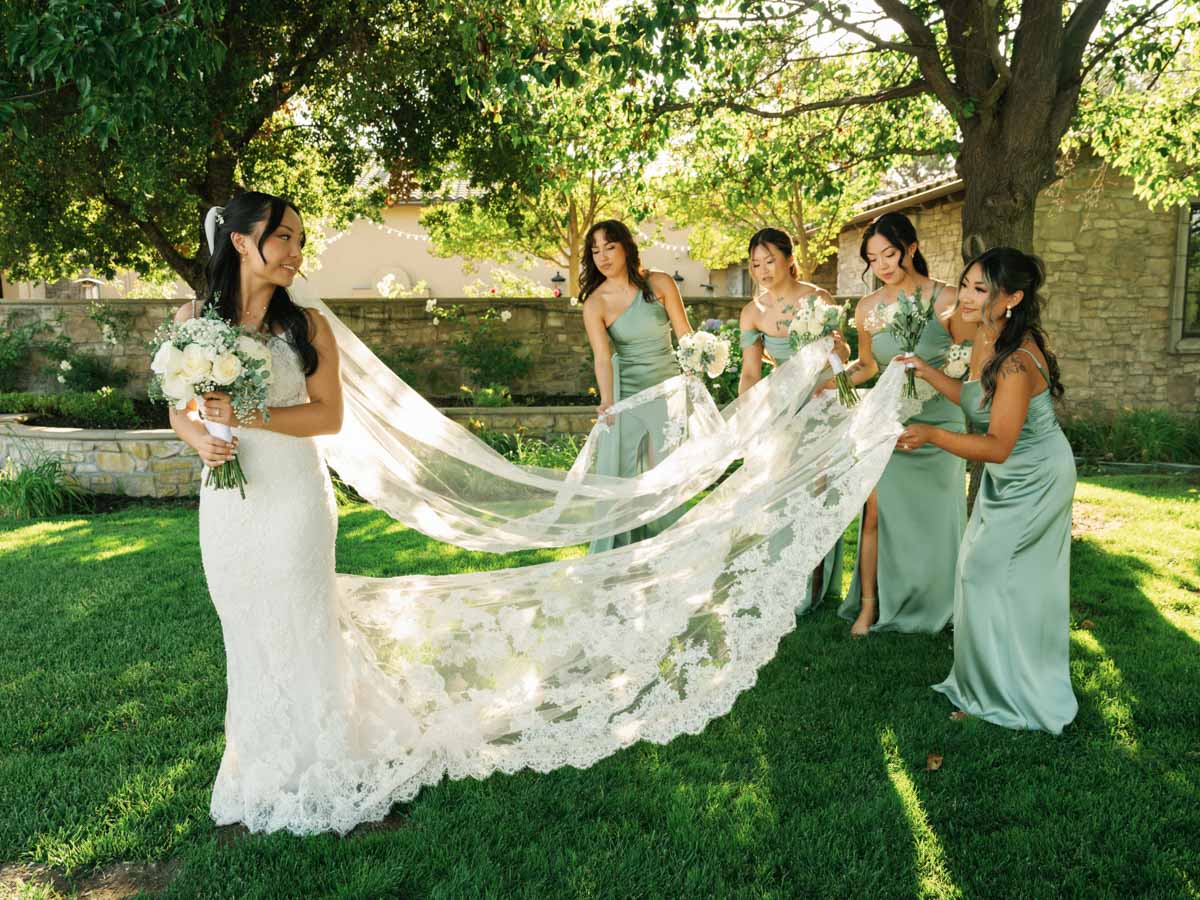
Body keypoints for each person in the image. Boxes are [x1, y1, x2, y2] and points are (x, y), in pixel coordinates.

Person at [895, 247, 1078, 734]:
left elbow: (996, 445)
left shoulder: (1016, 362)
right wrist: (926, 369)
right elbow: (975, 399)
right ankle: (985, 686)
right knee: (983, 574)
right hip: (1008, 475)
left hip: (1036, 477)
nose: (967, 296)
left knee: (985, 574)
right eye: (966, 285)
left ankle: (1008, 694)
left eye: (981, 289)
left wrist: (932, 435)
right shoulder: (985, 336)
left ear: (1012, 298)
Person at [839, 213, 973, 636]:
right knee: (875, 512)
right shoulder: (867, 308)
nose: (881, 265)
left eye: (889, 254)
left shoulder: (947, 298)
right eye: (872, 258)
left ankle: (941, 602)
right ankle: (869, 607)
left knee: (938, 516)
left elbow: (969, 366)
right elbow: (867, 366)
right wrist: (830, 382)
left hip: (941, 421)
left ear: (911, 248)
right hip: (890, 423)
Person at [737, 227, 849, 611]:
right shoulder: (752, 312)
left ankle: (814, 587)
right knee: (781, 495)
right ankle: (782, 577)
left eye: (770, 261)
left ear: (788, 258)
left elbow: (843, 354)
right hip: (780, 409)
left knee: (818, 492)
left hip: (820, 403)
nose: (763, 270)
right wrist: (747, 415)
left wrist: (836, 351)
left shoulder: (818, 299)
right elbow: (750, 373)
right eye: (755, 264)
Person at [580, 219, 694, 553]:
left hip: (667, 389)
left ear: (626, 248)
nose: (602, 256)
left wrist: (696, 365)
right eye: (595, 250)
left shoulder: (659, 283)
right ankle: (622, 552)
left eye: (610, 247)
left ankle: (670, 550)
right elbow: (603, 358)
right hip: (627, 392)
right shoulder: (595, 303)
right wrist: (607, 401)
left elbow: (685, 334)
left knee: (665, 472)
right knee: (624, 472)